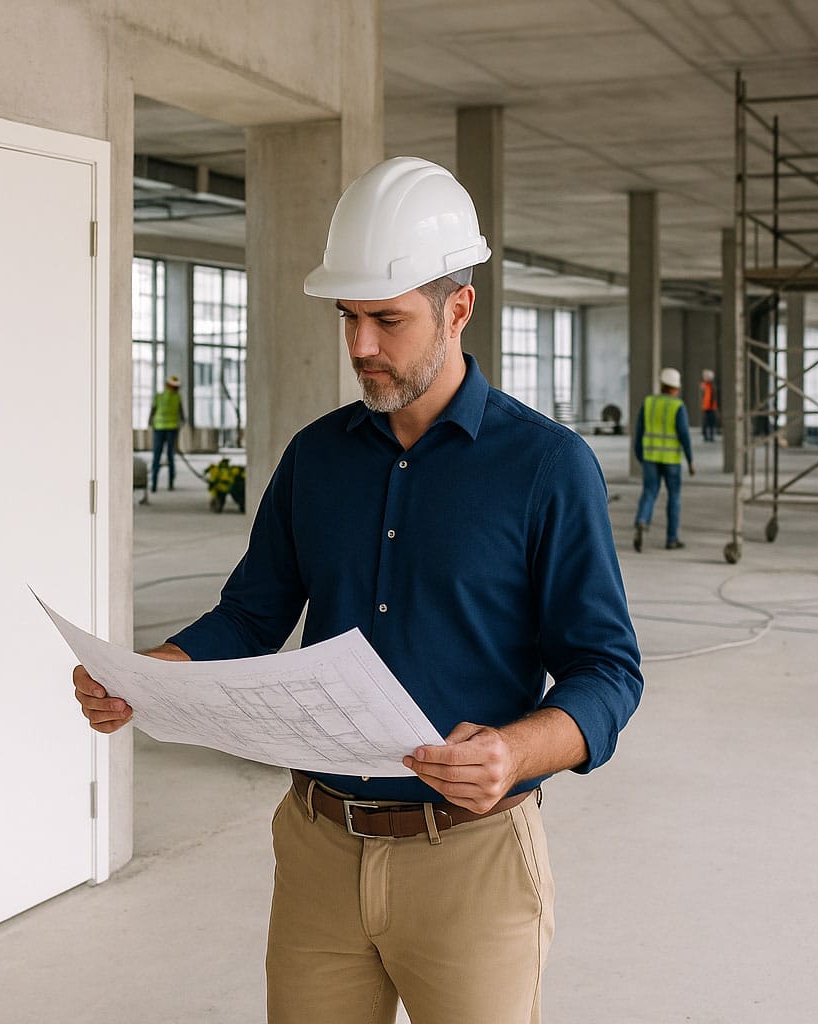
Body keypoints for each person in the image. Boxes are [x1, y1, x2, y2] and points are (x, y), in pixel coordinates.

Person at [73, 157, 643, 1024]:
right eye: (348, 317)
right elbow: (252, 614)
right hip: (318, 851)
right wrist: (149, 674)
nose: (361, 347)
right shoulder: (316, 457)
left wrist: (514, 753)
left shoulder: (546, 468)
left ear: (459, 308)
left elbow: (607, 671)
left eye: (388, 319)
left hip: (472, 861)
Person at [632, 368, 696, 552]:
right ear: (676, 388)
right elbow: (684, 435)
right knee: (674, 496)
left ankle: (642, 520)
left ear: (661, 385)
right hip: (671, 459)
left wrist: (640, 454)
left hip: (650, 457)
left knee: (649, 491)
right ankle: (671, 539)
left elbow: (639, 431)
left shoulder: (649, 402)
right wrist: (690, 460)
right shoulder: (678, 406)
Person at [148, 374, 186, 492]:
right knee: (170, 456)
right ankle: (169, 484)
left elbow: (153, 411)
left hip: (160, 428)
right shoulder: (176, 397)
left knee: (158, 456)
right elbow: (182, 415)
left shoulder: (159, 396)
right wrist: (182, 423)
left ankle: (155, 484)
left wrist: (150, 422)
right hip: (171, 429)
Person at [699, 368, 719, 442]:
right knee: (706, 422)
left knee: (712, 422)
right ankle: (706, 436)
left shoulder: (712, 386)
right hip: (706, 407)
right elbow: (702, 396)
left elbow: (714, 396)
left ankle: (711, 436)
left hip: (712, 407)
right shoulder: (704, 385)